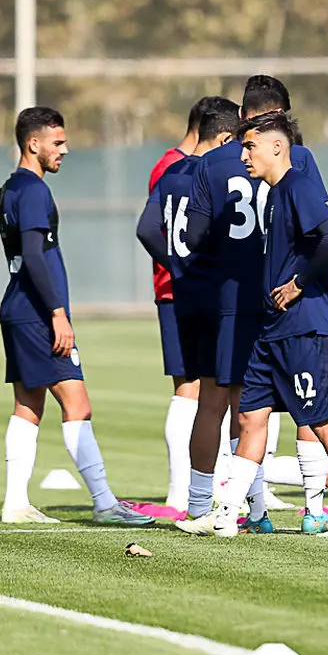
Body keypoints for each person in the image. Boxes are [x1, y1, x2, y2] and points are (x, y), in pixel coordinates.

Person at [178, 112, 328, 538]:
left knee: (324, 420)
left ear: (275, 147)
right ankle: (227, 514)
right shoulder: (271, 195)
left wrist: (298, 283)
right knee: (251, 418)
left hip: (304, 327)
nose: (243, 154)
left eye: (249, 146)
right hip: (272, 330)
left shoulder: (297, 186)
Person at [0, 106, 152, 526]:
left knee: (28, 407)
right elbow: (32, 254)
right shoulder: (31, 191)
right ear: (34, 144)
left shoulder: (11, 188)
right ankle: (104, 503)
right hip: (35, 314)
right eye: (58, 142)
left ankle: (15, 503)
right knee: (77, 404)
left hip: (18, 308)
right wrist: (57, 314)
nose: (65, 150)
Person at [136, 99, 242, 515]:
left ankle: (195, 494)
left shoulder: (171, 170)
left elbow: (147, 228)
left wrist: (176, 265)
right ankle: (215, 494)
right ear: (225, 137)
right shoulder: (213, 174)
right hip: (210, 295)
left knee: (198, 393)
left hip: (180, 293)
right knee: (221, 394)